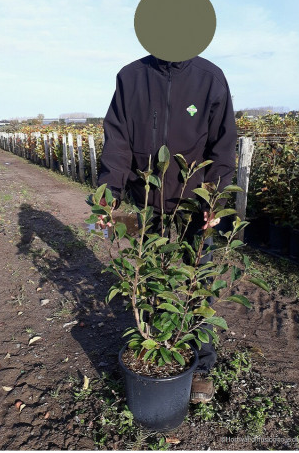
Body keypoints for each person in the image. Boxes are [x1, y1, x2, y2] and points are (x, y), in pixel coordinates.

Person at [95, 53, 237, 403]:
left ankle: (201, 365)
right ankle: (154, 344)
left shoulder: (210, 78)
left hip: (195, 200)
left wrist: (215, 202)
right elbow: (116, 141)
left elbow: (222, 145)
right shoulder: (131, 77)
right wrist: (108, 195)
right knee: (146, 273)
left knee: (196, 280)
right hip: (145, 199)